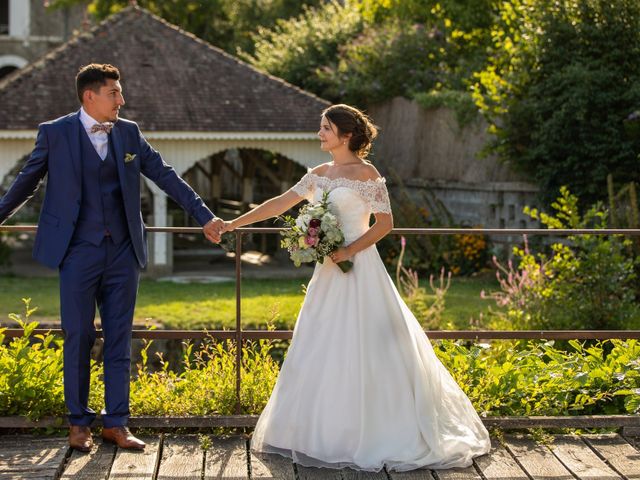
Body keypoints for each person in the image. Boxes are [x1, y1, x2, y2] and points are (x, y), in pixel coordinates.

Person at [222, 104, 491, 471]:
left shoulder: (367, 173)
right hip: (327, 276)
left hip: (360, 269)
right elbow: (280, 204)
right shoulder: (317, 174)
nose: (320, 134)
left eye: (326, 128)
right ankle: (323, 434)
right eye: (321, 127)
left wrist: (348, 249)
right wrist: (233, 223)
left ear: (346, 135)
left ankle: (382, 431)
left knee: (370, 348)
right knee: (322, 345)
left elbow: (384, 224)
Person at [0, 64, 224, 452]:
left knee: (119, 338)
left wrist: (205, 216)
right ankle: (78, 423)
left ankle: (117, 423)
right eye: (114, 93)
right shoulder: (54, 133)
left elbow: (166, 175)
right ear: (90, 96)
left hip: (123, 252)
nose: (122, 100)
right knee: (79, 335)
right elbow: (27, 180)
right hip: (77, 251)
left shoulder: (129, 132)